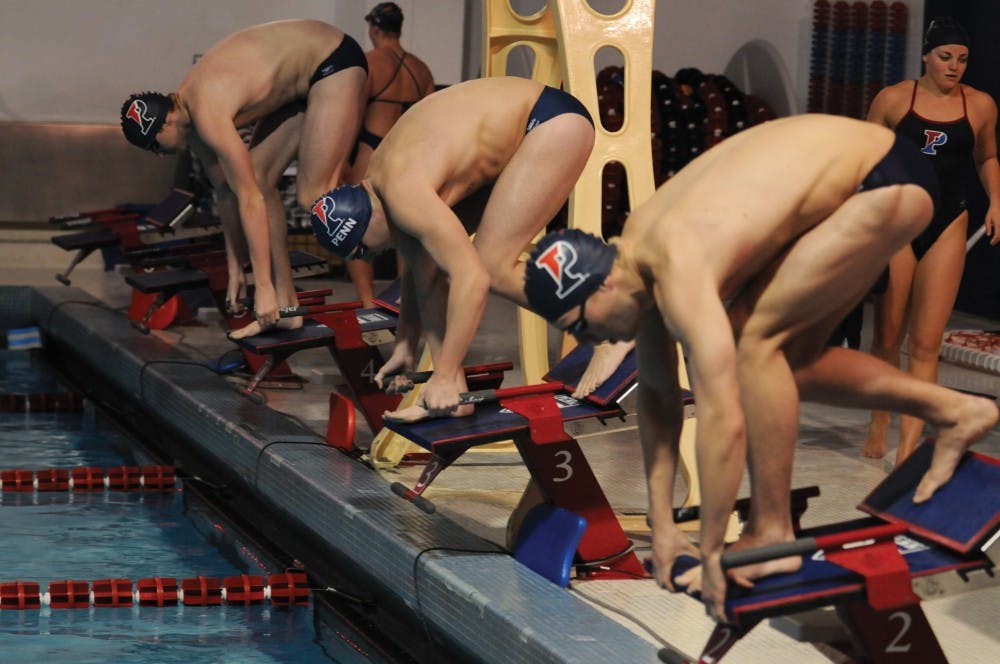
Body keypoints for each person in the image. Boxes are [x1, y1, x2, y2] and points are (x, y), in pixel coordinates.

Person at [520, 114, 999, 622]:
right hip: (864, 180)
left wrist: (709, 553)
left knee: (755, 348)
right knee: (790, 364)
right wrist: (664, 531)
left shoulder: (678, 262)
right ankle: (955, 409)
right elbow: (659, 400)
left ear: (605, 285)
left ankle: (772, 531)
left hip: (881, 179)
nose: (594, 341)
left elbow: (722, 419)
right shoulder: (640, 260)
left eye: (584, 325)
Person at [309, 76, 595, 421]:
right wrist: (405, 340)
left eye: (364, 251)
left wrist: (441, 373)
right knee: (430, 262)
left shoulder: (403, 192)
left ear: (364, 221)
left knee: (489, 266)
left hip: (550, 123)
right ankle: (454, 395)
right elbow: (420, 266)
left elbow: (471, 280)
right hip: (524, 129)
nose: (372, 257)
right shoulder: (382, 184)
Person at [120, 19, 367, 338]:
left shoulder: (206, 111)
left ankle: (399, 217)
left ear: (166, 123)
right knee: (260, 177)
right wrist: (236, 267)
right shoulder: (188, 118)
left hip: (333, 62)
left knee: (313, 196)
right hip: (303, 79)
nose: (157, 154)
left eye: (154, 145)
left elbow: (250, 199)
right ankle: (288, 309)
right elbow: (225, 191)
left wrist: (260, 286)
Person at [862, 17, 1000, 462]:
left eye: (962, 59)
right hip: (899, 223)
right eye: (945, 57)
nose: (954, 66)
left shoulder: (979, 106)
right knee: (887, 336)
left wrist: (996, 200)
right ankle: (880, 421)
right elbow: (863, 159)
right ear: (926, 55)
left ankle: (907, 449)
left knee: (926, 343)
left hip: (949, 222)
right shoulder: (895, 99)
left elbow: (988, 156)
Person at [345, 2, 435, 308]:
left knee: (354, 233)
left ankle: (369, 305)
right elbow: (430, 126)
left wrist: (341, 163)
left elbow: (350, 118)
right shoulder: (422, 70)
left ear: (375, 28)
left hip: (372, 151)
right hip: (407, 158)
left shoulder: (369, 63)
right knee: (406, 237)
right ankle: (403, 304)